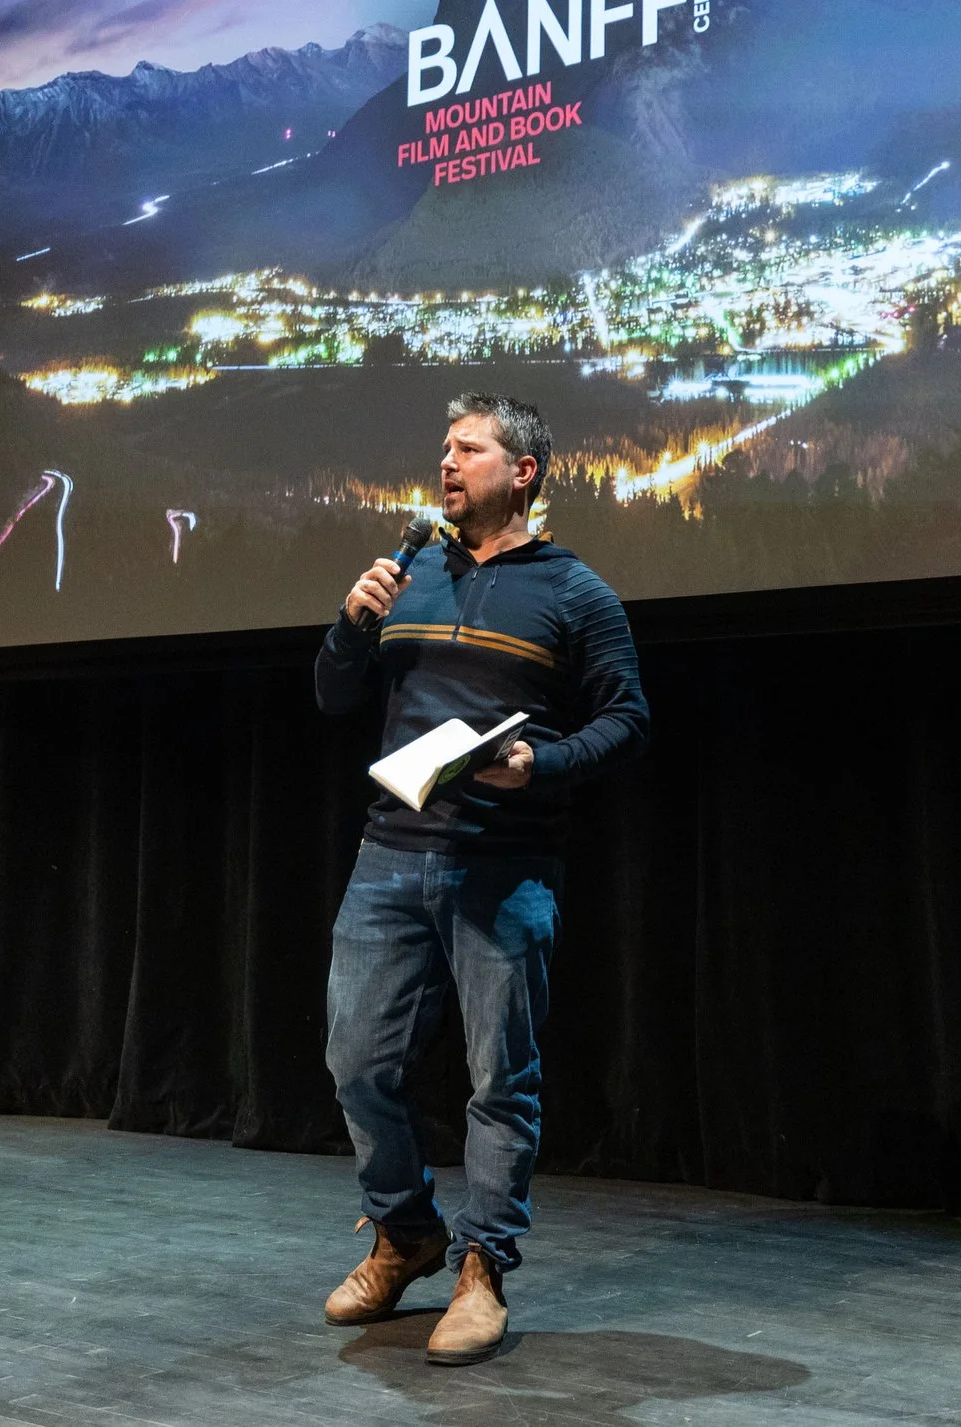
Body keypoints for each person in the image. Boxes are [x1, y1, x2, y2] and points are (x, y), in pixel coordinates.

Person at [313, 392, 650, 1365]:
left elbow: (627, 720)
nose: (447, 462)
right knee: (355, 1063)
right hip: (390, 855)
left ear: (524, 470)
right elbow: (334, 695)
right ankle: (405, 1228)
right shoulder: (408, 571)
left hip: (504, 867)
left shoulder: (573, 592)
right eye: (443, 447)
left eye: (468, 449)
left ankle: (481, 1269)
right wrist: (348, 623)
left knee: (500, 1077)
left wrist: (540, 763)